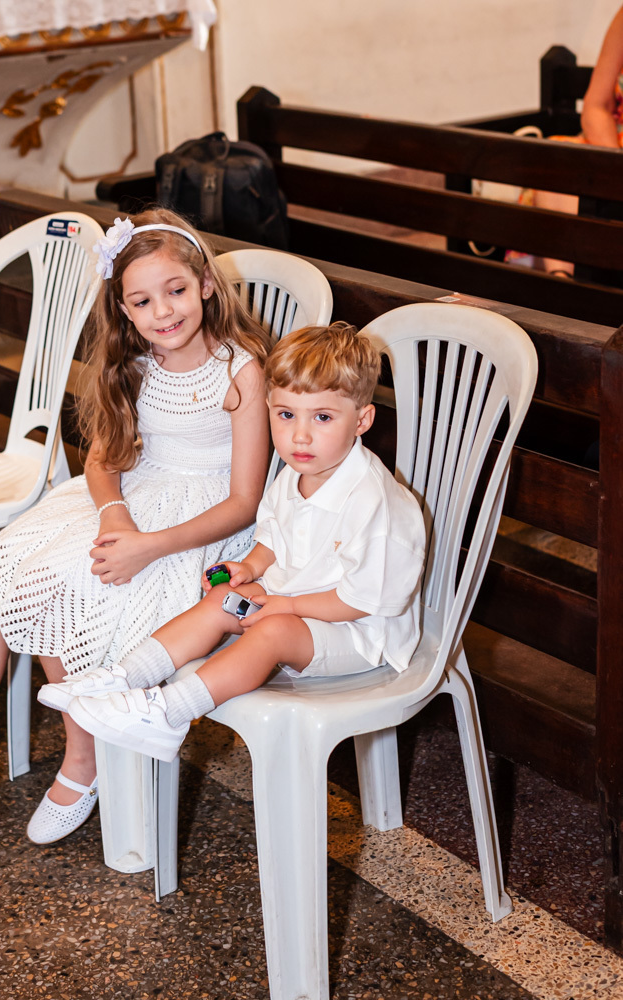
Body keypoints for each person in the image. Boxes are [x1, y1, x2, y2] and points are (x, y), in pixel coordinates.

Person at [0, 209, 271, 840]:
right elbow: (103, 460)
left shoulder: (241, 369)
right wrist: (117, 517)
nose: (164, 312)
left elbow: (245, 501)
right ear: (124, 310)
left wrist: (146, 547)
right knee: (2, 572)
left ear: (206, 285)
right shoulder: (134, 363)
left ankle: (83, 760)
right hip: (125, 502)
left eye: (176, 291)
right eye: (143, 300)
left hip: (202, 525)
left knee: (71, 580)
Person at [43, 323, 426, 764]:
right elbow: (274, 539)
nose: (299, 436)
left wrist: (288, 607)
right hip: (297, 605)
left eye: (321, 417)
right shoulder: (294, 476)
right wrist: (250, 567)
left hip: (360, 633)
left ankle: (169, 713)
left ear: (361, 420)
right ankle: (123, 677)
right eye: (286, 415)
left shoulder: (373, 503)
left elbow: (364, 601)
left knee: (273, 630)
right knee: (223, 599)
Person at [525, 5, 623, 275]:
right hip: (612, 147)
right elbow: (595, 106)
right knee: (556, 159)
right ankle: (561, 282)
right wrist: (614, 166)